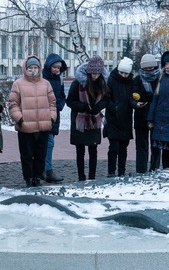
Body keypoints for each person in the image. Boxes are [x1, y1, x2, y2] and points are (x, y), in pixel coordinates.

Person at [8, 55, 57, 187]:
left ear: (39, 68)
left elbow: (53, 103)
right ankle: (28, 178)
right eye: (30, 67)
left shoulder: (46, 84)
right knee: (27, 155)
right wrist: (20, 118)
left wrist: (51, 117)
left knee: (41, 154)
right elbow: (13, 103)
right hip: (25, 126)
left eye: (36, 67)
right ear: (26, 68)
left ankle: (37, 176)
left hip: (43, 125)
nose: (33, 70)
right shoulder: (18, 84)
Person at [67, 56, 109, 181]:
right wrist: (84, 107)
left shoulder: (103, 83)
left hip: (94, 120)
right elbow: (70, 101)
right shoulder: (78, 83)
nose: (95, 76)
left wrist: (99, 107)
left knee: (93, 148)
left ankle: (92, 176)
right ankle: (81, 176)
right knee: (80, 150)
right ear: (88, 71)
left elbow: (107, 99)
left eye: (98, 73)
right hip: (80, 120)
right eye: (93, 73)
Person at [104, 57, 134, 177]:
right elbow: (107, 97)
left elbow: (131, 97)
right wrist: (114, 108)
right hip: (113, 118)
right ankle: (111, 171)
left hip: (126, 119)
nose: (123, 75)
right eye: (121, 72)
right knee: (114, 147)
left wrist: (135, 103)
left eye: (126, 73)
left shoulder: (131, 81)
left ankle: (122, 171)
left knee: (123, 148)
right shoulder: (111, 80)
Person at [131, 54, 161, 173]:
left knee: (156, 146)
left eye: (151, 67)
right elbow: (134, 95)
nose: (149, 70)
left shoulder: (160, 78)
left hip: (156, 117)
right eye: (146, 68)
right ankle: (141, 170)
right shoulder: (137, 79)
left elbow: (160, 97)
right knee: (141, 147)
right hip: (141, 117)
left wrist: (146, 97)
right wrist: (139, 101)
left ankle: (154, 169)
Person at [41, 53, 67, 183]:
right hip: (43, 114)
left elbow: (62, 96)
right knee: (48, 143)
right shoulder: (42, 79)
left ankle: (44, 169)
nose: (57, 70)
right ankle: (47, 170)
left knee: (48, 143)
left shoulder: (60, 80)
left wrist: (60, 105)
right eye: (55, 67)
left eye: (59, 68)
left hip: (55, 115)